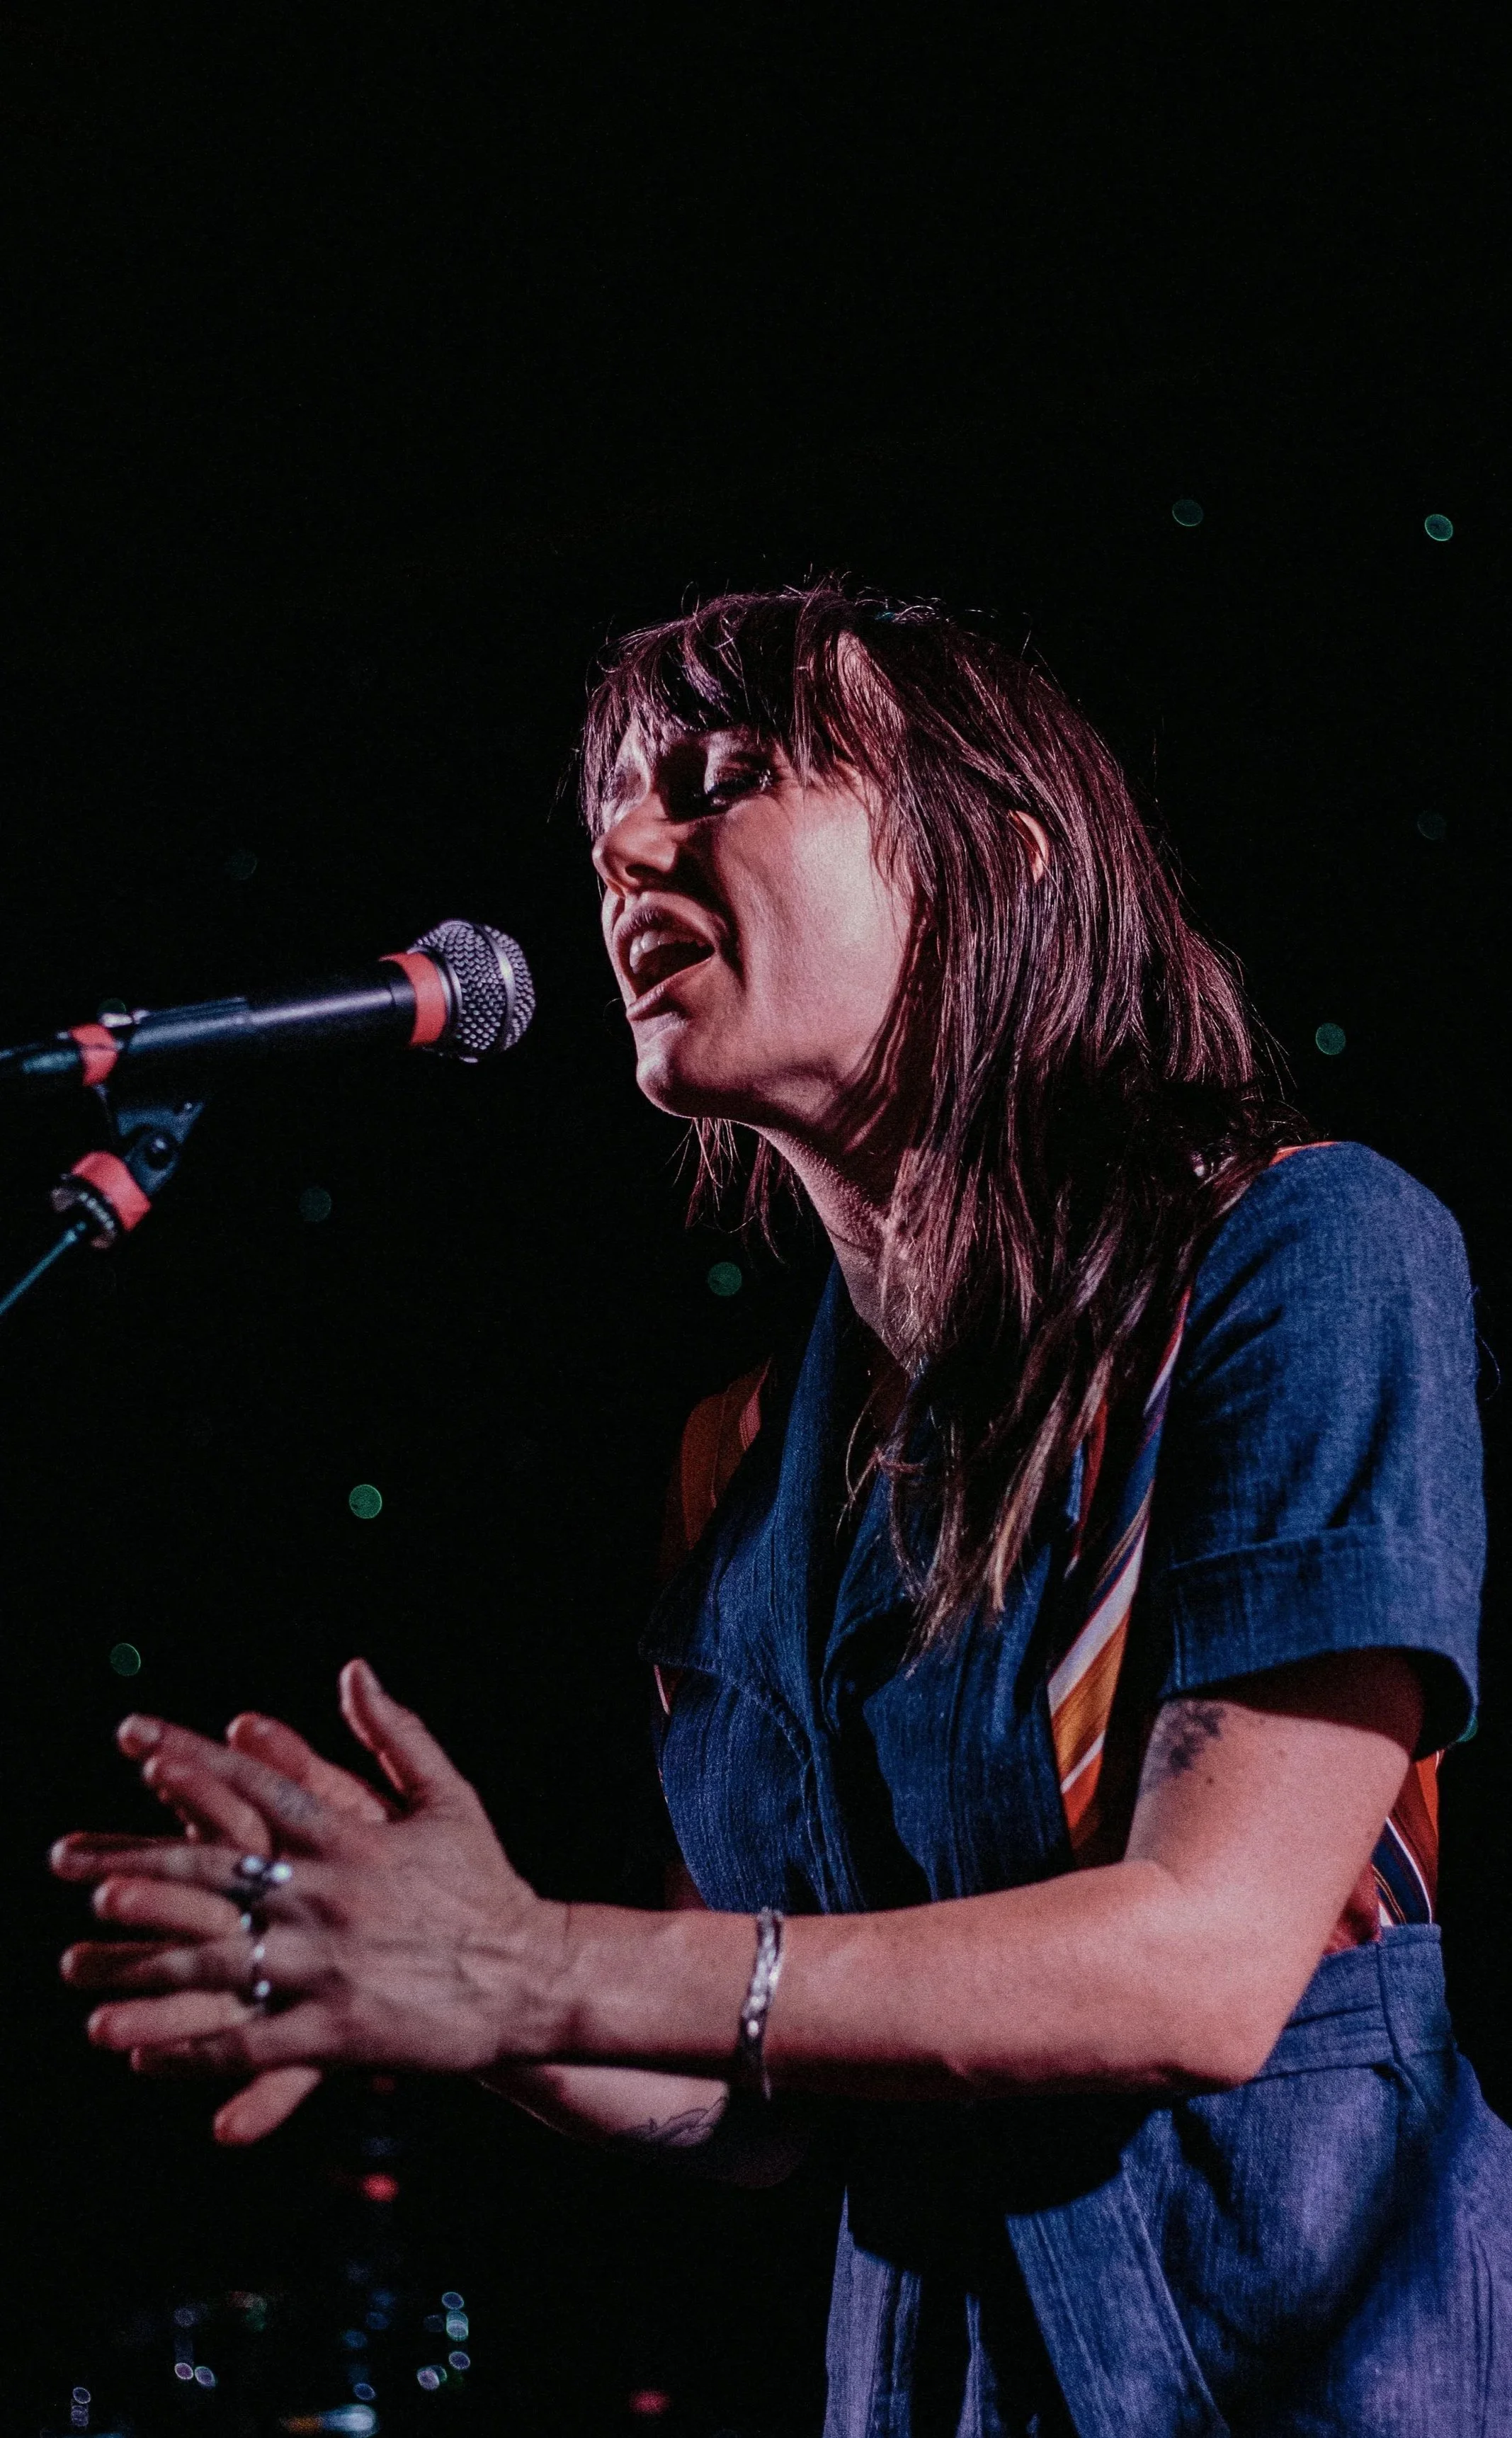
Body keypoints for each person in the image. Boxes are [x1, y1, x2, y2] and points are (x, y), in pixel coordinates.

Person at [54, 587, 1511, 2437]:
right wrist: (469, 1999)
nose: (630, 848)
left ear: (998, 855)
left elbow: (1205, 1963)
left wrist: (528, 1957)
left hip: (1310, 2381)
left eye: (723, 779)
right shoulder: (739, 1461)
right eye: (608, 821)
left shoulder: (1302, 1257)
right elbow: (773, 2102)